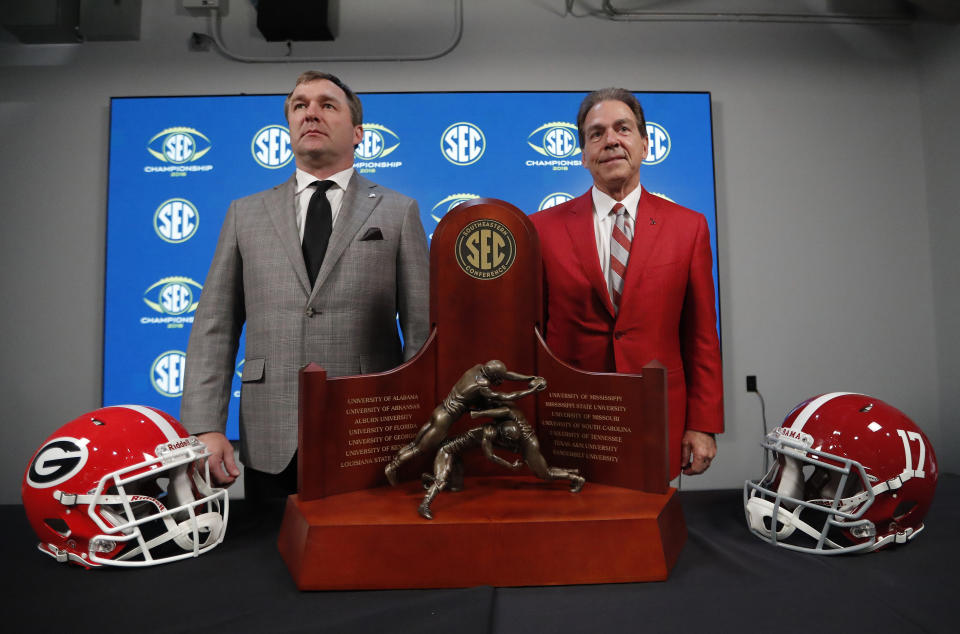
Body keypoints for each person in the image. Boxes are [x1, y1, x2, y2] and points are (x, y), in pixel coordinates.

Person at [180, 71, 430, 499]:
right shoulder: (245, 214)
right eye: (300, 106)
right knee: (267, 560)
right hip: (268, 435)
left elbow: (421, 333)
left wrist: (421, 429)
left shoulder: (397, 212)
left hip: (368, 431)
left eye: (327, 105)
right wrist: (205, 428)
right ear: (289, 127)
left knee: (365, 562)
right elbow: (214, 329)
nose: (311, 113)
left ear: (358, 134)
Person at [530, 88, 723, 480]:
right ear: (583, 154)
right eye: (596, 133)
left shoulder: (689, 228)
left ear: (645, 144)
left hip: (655, 416)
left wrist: (702, 424)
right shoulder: (539, 230)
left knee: (647, 536)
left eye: (623, 128)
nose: (611, 140)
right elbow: (529, 336)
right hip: (571, 422)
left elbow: (701, 335)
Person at [385, 360, 546, 485]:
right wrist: (531, 390)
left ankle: (394, 466)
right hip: (445, 420)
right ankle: (392, 467)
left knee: (415, 444)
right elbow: (505, 397)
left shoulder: (477, 368)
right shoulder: (482, 386)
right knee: (420, 449)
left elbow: (505, 374)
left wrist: (530, 378)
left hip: (439, 411)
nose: (501, 380)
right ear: (493, 377)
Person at [418, 402, 584, 520]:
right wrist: (510, 465)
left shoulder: (508, 420)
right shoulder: (487, 435)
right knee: (442, 479)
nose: (511, 445)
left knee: (455, 487)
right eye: (509, 441)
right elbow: (490, 456)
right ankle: (424, 504)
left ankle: (572, 474)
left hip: (458, 457)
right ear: (501, 434)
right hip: (447, 451)